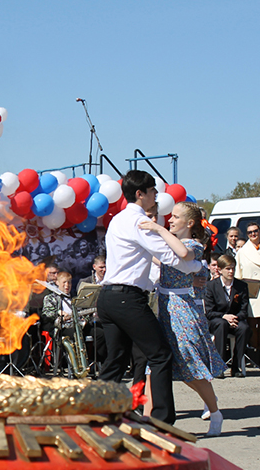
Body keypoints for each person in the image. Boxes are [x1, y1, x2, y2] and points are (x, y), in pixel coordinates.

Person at [96, 170, 202, 425]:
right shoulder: (138, 222)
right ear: (140, 194)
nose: (156, 195)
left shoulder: (118, 220)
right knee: (160, 354)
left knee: (117, 359)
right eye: (153, 190)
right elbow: (171, 256)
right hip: (127, 299)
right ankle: (162, 419)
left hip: (108, 298)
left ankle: (99, 411)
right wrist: (197, 267)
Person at [139, 201, 224, 436]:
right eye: (171, 217)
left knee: (189, 364)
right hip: (164, 305)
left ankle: (215, 412)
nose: (171, 220)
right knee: (154, 365)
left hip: (182, 309)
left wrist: (159, 230)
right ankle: (148, 420)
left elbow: (184, 254)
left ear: (189, 223)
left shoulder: (193, 244)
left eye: (176, 217)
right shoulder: (171, 242)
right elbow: (161, 258)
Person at [205, 254, 250, 378]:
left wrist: (234, 318)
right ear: (219, 269)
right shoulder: (211, 286)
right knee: (221, 324)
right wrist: (225, 316)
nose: (231, 271)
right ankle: (219, 366)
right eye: (228, 269)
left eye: (233, 268)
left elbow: (243, 310)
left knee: (244, 328)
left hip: (235, 319)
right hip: (217, 320)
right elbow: (209, 312)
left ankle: (236, 366)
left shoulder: (241, 286)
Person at [235, 221, 260, 351]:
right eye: (250, 232)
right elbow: (238, 275)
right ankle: (255, 351)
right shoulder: (242, 252)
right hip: (252, 291)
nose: (253, 234)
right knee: (253, 324)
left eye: (255, 231)